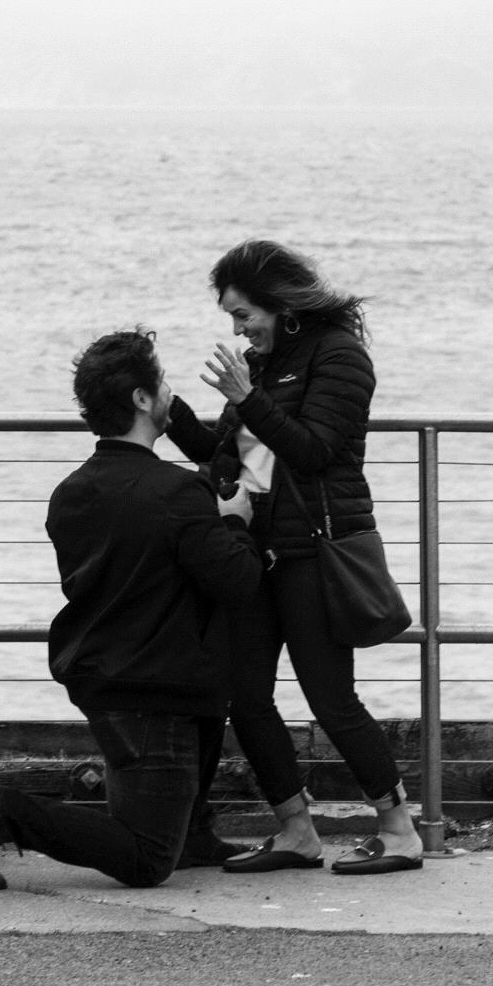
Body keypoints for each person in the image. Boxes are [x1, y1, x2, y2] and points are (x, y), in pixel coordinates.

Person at [0, 329, 260, 890]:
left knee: (180, 758)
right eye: (162, 382)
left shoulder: (71, 491)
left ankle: (190, 832)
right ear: (141, 398)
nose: (170, 393)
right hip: (154, 690)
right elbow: (238, 582)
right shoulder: (177, 492)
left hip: (102, 672)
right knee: (147, 860)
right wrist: (235, 522)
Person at [166, 240, 423, 875]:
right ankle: (296, 831)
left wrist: (246, 396)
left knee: (331, 699)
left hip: (314, 550)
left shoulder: (339, 355)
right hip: (254, 552)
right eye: (231, 318)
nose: (238, 329)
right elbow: (225, 455)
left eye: (243, 314)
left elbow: (314, 450)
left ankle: (400, 831)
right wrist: (166, 407)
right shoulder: (260, 363)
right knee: (245, 697)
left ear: (280, 305)